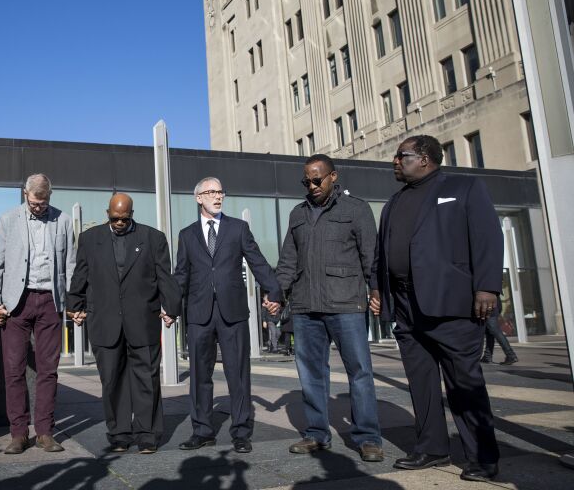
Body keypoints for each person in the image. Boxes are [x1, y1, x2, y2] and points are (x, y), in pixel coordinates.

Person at [370, 135, 503, 482]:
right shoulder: (394, 202)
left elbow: (488, 237)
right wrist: (378, 290)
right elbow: (382, 255)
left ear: (425, 158)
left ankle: (483, 457)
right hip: (406, 306)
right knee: (421, 382)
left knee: (464, 382)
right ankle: (431, 447)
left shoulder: (464, 187)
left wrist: (486, 286)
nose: (395, 162)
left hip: (452, 305)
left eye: (402, 156)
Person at [275, 154, 384, 462]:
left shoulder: (357, 209)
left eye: (317, 179)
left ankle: (367, 437)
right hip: (306, 306)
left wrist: (376, 290)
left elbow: (371, 257)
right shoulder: (297, 214)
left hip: (347, 304)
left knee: (359, 372)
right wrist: (277, 292)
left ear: (333, 176)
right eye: (306, 181)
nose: (311, 185)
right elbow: (287, 260)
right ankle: (316, 433)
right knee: (311, 373)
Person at [173, 177, 283, 453]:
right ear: (198, 198)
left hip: (232, 311)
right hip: (199, 313)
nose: (217, 196)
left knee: (238, 373)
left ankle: (241, 432)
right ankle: (202, 431)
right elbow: (181, 275)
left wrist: (274, 292)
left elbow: (257, 261)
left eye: (220, 191)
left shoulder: (238, 228)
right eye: (210, 192)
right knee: (200, 375)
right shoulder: (187, 235)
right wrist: (171, 307)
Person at [67, 193, 181, 453]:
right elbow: (80, 274)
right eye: (115, 218)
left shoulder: (153, 238)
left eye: (124, 219)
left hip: (142, 320)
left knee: (146, 380)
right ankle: (119, 434)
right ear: (108, 212)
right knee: (112, 381)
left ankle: (147, 434)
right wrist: (74, 305)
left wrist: (171, 308)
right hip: (104, 321)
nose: (119, 223)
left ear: (132, 214)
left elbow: (165, 276)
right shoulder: (89, 239)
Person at [0, 173, 76, 454]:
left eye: (44, 202)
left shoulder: (63, 220)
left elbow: (71, 264)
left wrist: (74, 302)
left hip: (50, 301)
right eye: (35, 203)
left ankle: (45, 432)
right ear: (25, 194)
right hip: (16, 303)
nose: (39, 207)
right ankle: (18, 434)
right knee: (14, 370)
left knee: (48, 370)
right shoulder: (8, 219)